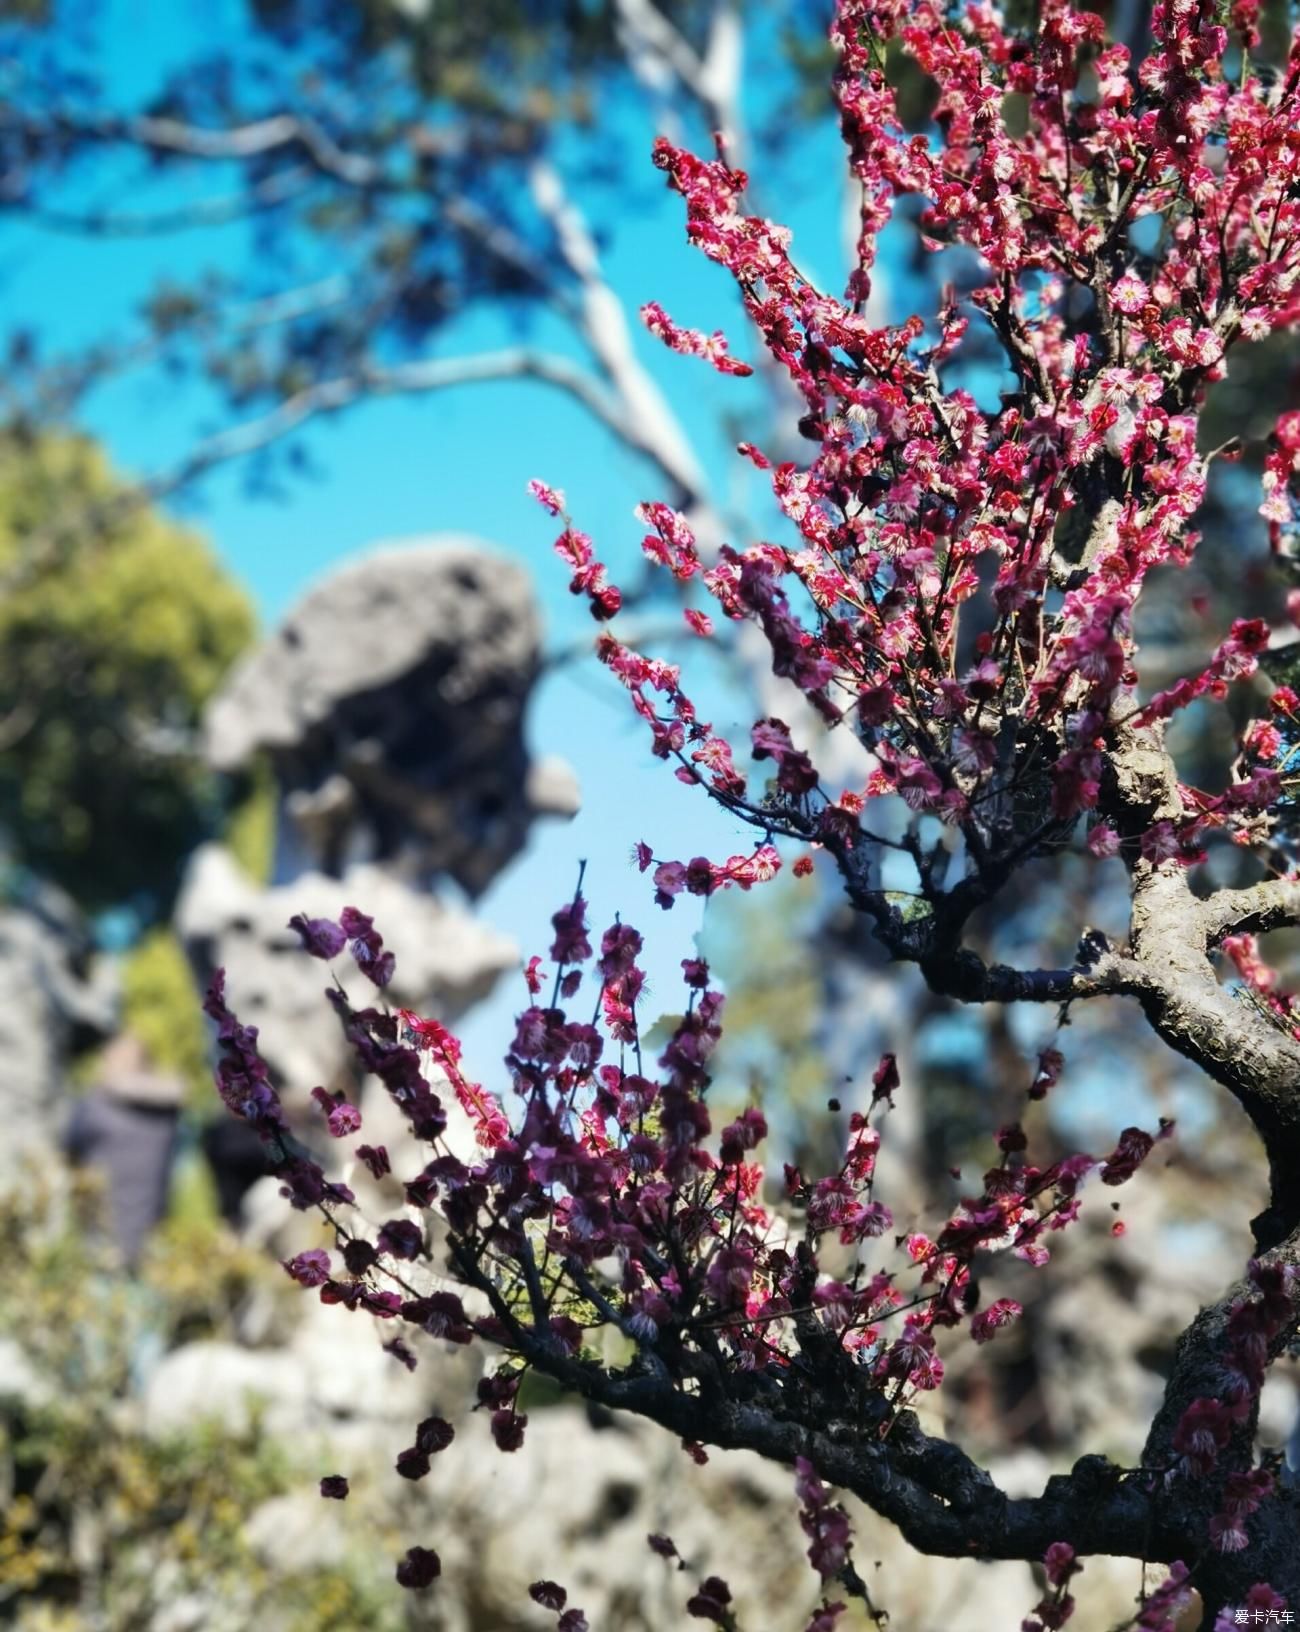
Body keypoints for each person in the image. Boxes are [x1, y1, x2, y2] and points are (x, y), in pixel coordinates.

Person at [64, 1033, 184, 1267]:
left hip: (99, 1241)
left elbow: (68, 1150)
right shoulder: (168, 1113)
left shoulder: (95, 1107)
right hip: (152, 1243)